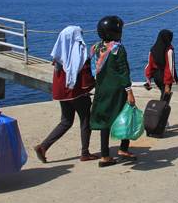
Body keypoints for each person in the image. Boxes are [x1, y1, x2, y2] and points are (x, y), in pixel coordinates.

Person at [34, 26, 98, 164]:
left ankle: (44, 146)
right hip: (77, 93)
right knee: (86, 120)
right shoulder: (79, 54)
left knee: (66, 121)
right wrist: (95, 84)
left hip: (62, 94)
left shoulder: (59, 55)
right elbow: (86, 77)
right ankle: (85, 153)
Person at [89, 16, 136, 168]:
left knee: (104, 121)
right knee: (127, 115)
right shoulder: (117, 49)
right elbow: (123, 71)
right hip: (117, 90)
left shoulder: (96, 47)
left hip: (101, 89)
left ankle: (105, 155)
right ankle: (123, 148)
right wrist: (129, 91)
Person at [144, 29, 178, 101]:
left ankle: (160, 110)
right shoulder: (169, 50)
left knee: (163, 95)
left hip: (156, 77)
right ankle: (159, 111)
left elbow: (149, 64)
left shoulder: (153, 49)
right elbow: (169, 68)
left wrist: (148, 80)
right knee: (165, 100)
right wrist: (167, 84)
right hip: (164, 77)